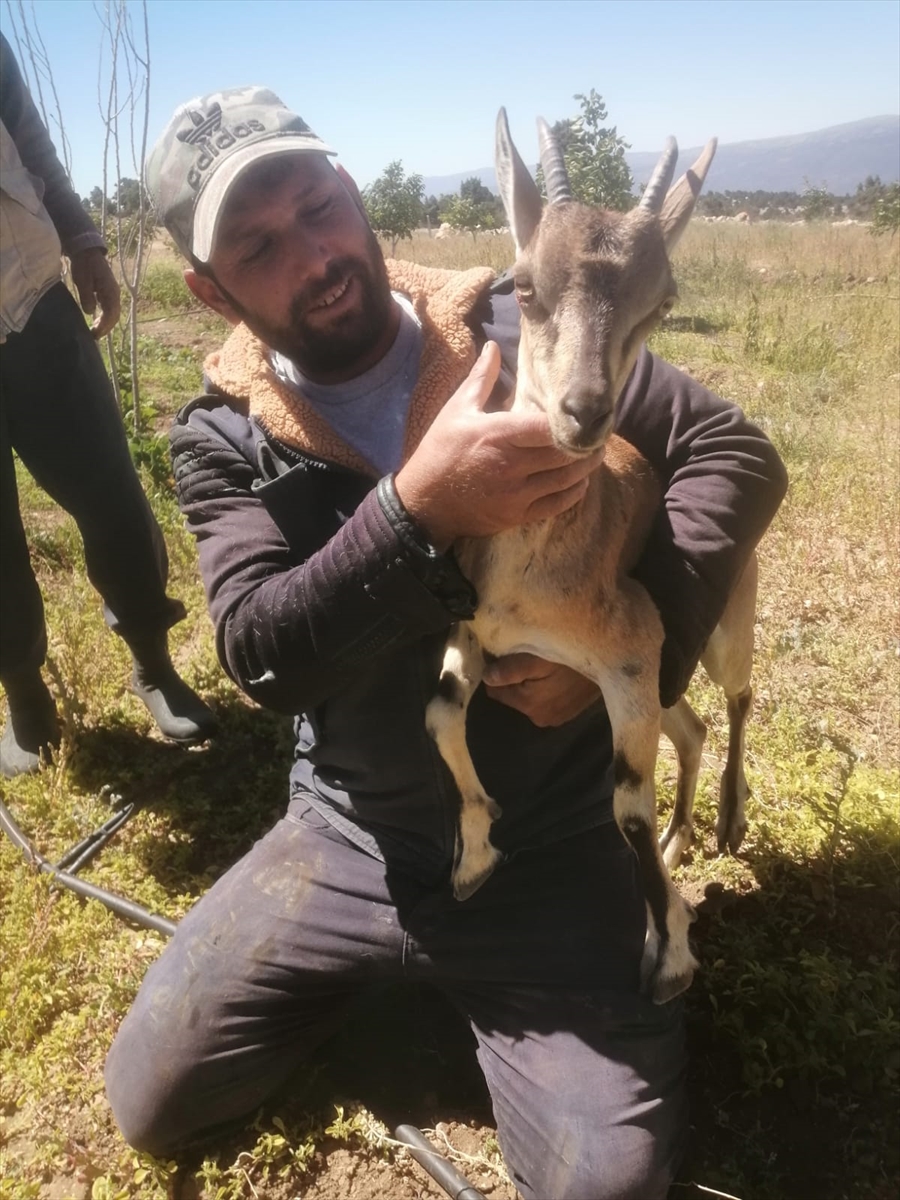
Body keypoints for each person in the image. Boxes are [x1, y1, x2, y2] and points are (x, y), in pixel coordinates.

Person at [104, 85, 787, 1199]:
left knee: (604, 1186)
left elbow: (735, 452)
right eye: (258, 244)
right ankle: (408, 978)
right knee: (151, 1103)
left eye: (319, 205)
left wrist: (638, 632)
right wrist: (417, 512)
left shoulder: (530, 324)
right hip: (349, 830)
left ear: (356, 195)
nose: (314, 254)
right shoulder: (225, 438)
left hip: (553, 844)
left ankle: (505, 995)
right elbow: (259, 650)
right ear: (209, 288)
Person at [0, 33, 217, 778]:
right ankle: (27, 702)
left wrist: (88, 244)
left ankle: (154, 664)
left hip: (30, 300)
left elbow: (32, 149)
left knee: (113, 498)